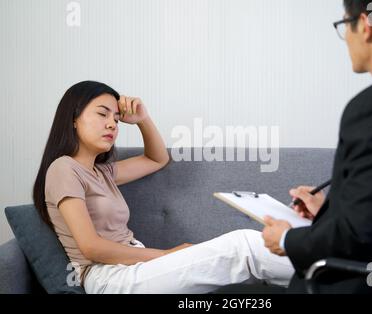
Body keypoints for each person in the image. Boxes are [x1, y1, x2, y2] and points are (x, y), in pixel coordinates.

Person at [218, 0, 372, 294]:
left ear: (365, 26)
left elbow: (358, 235)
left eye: (344, 25)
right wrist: (330, 211)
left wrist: (288, 240)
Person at [32, 81, 295, 293]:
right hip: (108, 279)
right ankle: (324, 267)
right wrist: (166, 255)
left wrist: (143, 119)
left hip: (130, 265)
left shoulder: (103, 172)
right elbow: (91, 248)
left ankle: (317, 274)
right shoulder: (64, 168)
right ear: (74, 119)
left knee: (245, 255)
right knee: (243, 246)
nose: (112, 123)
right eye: (102, 114)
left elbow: (157, 159)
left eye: (115, 118)